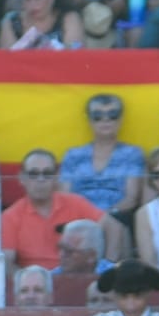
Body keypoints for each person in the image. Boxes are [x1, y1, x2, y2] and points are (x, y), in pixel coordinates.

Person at [2, 149, 121, 270]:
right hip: (37, 283)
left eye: (47, 174)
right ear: (22, 178)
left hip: (76, 277)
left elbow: (113, 227)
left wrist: (105, 268)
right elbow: (6, 262)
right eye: (33, 174)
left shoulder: (75, 203)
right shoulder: (10, 217)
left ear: (56, 177)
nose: (40, 179)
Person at [59, 94, 146, 230]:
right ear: (89, 120)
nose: (105, 120)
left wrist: (103, 217)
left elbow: (131, 198)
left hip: (116, 219)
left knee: (115, 229)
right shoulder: (73, 155)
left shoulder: (132, 154)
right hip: (79, 221)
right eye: (97, 116)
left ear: (121, 119)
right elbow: (65, 196)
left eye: (113, 114)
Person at [0, 0, 84, 49]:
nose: (32, 5)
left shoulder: (69, 18)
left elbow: (74, 56)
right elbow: (6, 60)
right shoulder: (11, 22)